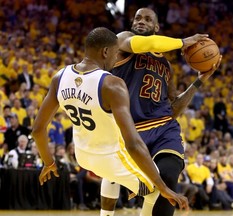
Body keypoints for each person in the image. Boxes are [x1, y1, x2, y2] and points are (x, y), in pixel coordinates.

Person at [31, 27, 188, 212]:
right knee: (157, 191)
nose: (116, 59)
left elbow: (37, 130)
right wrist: (164, 188)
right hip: (111, 157)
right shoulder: (112, 84)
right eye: (115, 53)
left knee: (129, 179)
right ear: (106, 52)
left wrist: (49, 163)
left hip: (82, 156)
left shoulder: (60, 76)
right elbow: (133, 144)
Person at [101, 7, 222, 216]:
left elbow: (173, 107)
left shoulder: (166, 65)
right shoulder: (122, 40)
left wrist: (199, 81)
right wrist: (183, 42)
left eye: (148, 19)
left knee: (168, 177)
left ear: (156, 27)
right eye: (138, 18)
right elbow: (144, 44)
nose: (141, 21)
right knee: (113, 174)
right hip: (129, 128)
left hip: (164, 128)